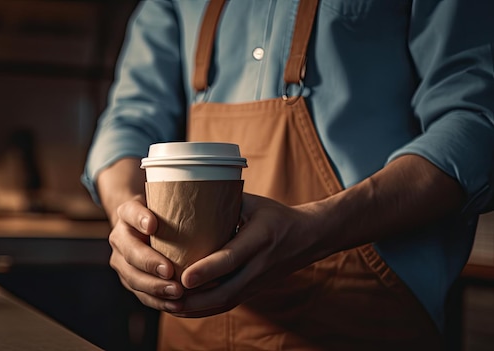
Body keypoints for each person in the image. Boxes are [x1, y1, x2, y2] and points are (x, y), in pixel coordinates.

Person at [81, 0, 494, 349]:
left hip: (364, 322)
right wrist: (126, 214)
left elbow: (477, 122)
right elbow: (128, 120)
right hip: (192, 332)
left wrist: (319, 228)